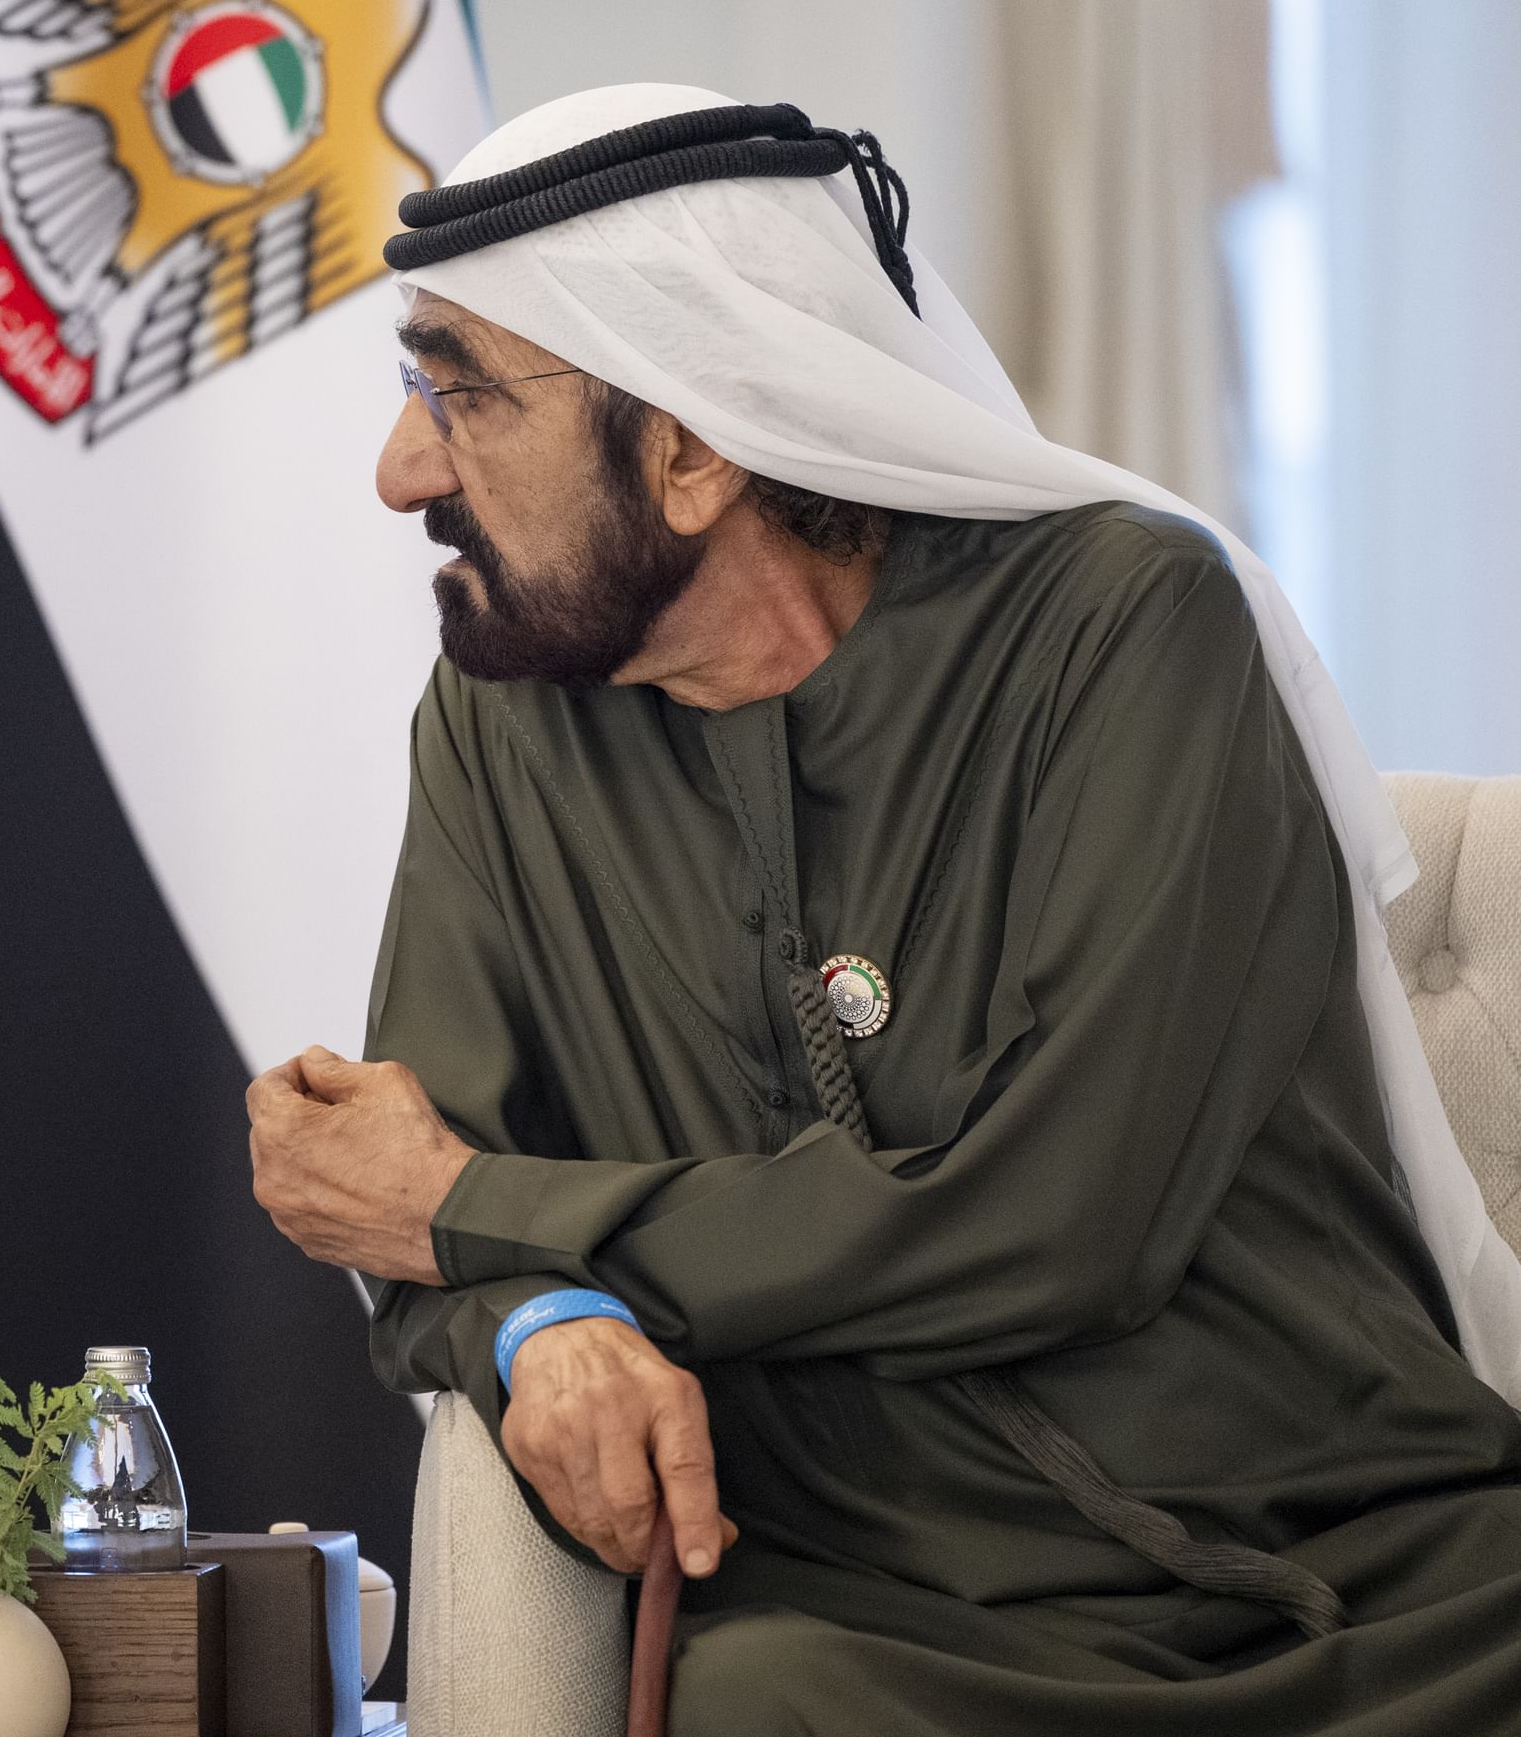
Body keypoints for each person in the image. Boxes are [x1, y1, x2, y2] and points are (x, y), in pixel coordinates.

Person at [245, 84, 1521, 1733]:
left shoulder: (1127, 631)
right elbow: (403, 1199)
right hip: (892, 1624)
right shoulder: (502, 729)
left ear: (693, 446)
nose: (400, 467)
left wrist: (472, 1211)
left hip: (1369, 1578)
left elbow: (1062, 1219)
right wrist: (538, 1317)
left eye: (461, 393)